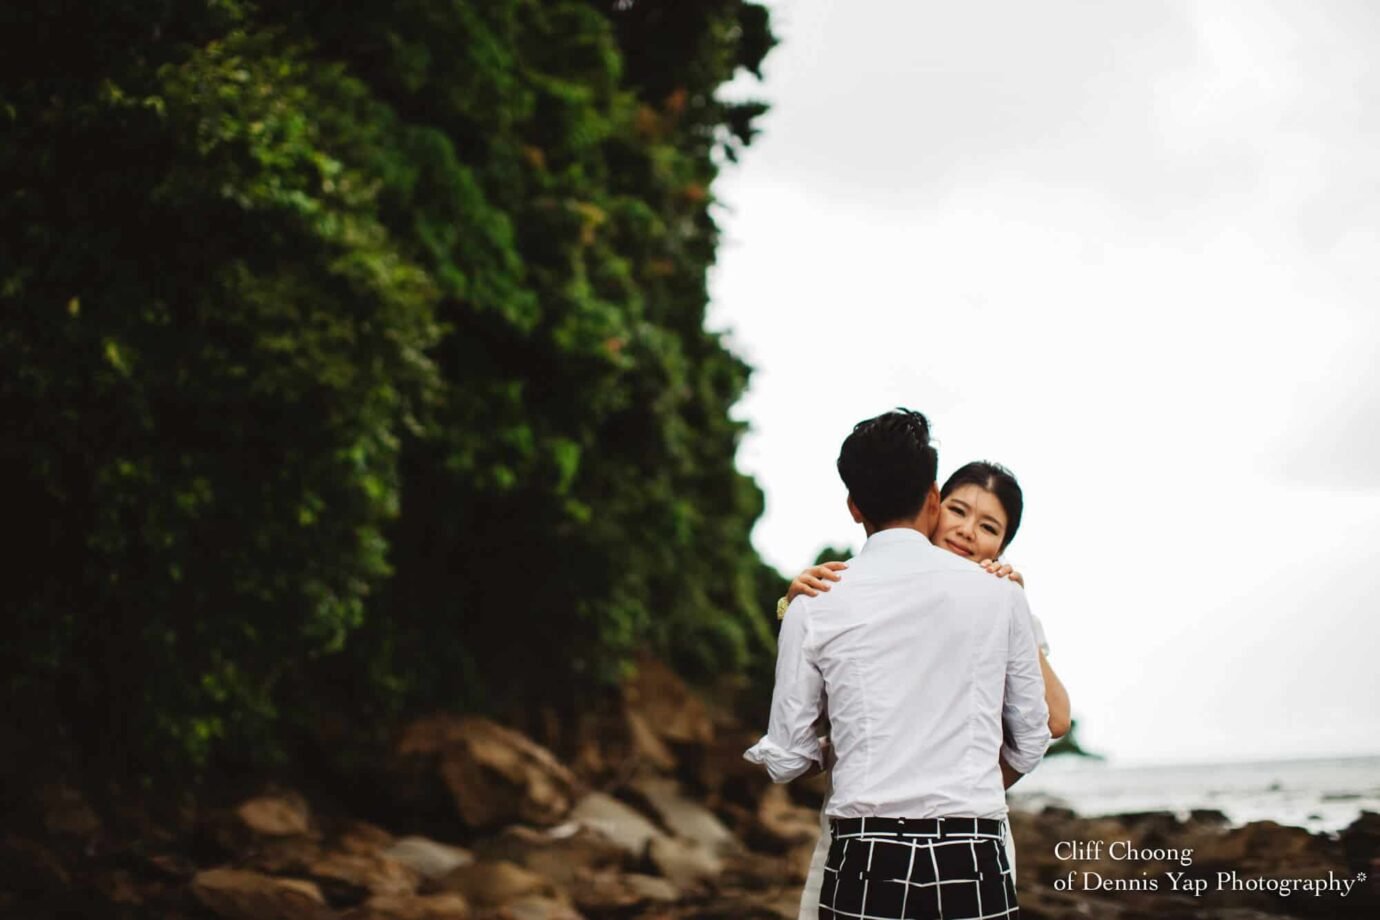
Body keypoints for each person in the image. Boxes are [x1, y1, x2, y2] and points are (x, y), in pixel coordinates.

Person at [745, 409, 1051, 920]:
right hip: (973, 850)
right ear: (933, 497)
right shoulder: (1001, 596)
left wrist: (844, 742)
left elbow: (786, 758)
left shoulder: (814, 600)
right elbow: (1034, 737)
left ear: (853, 505)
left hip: (866, 854)